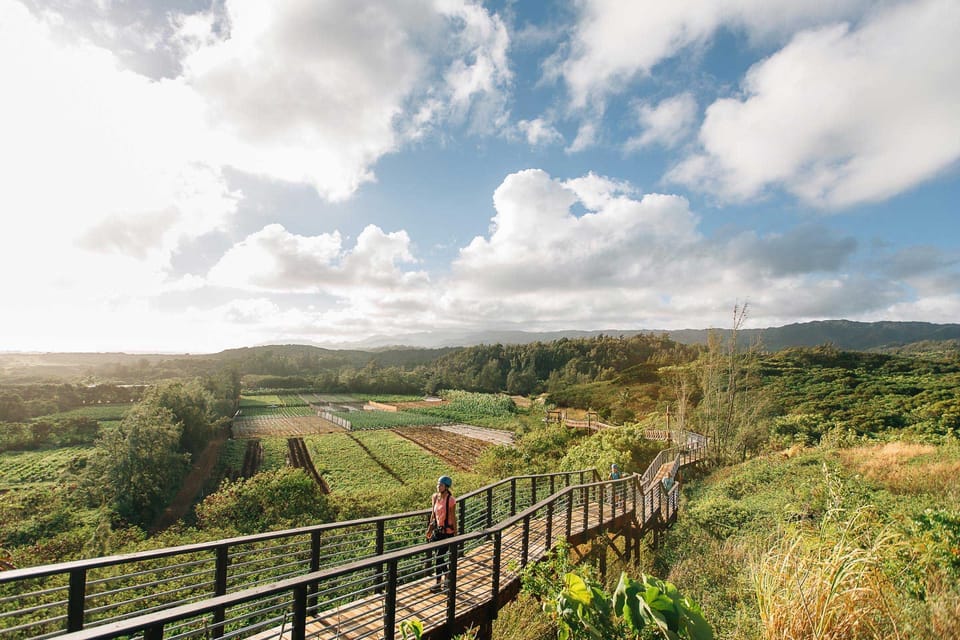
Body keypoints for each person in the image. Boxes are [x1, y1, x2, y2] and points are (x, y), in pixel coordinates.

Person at [426, 475, 457, 592]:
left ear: (446, 487)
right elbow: (433, 516)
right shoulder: (435, 497)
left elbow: (453, 517)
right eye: (438, 484)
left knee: (439, 557)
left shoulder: (451, 500)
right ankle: (447, 576)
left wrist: (455, 533)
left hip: (447, 532)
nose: (438, 486)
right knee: (438, 557)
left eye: (441, 485)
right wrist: (429, 529)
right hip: (437, 532)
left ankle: (438, 583)